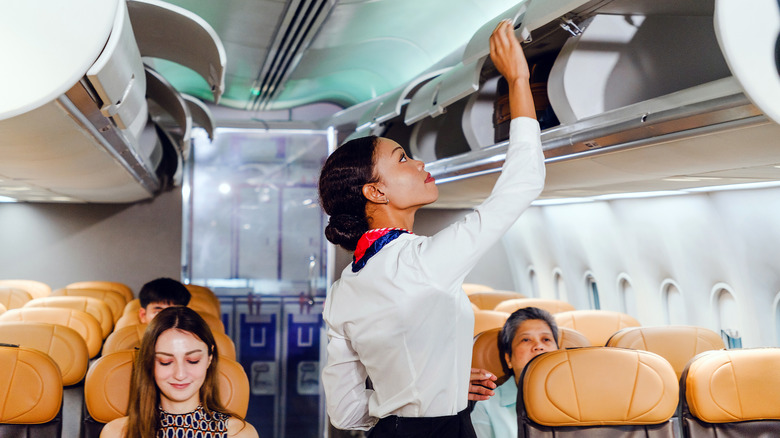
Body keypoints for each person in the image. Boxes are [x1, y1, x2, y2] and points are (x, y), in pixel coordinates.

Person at [318, 20, 545, 437]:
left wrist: (421, 392)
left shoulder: (344, 288)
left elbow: (347, 414)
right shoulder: (425, 261)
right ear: (375, 191)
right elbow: (523, 182)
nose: (419, 163)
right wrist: (517, 78)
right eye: (403, 158)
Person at [100, 306, 258, 438]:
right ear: (149, 361)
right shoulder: (117, 433)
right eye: (165, 362)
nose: (180, 374)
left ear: (209, 358)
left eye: (193, 360)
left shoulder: (239, 434)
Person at [470, 307, 559, 438]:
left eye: (546, 339)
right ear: (508, 359)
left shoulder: (582, 398)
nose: (538, 346)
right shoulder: (486, 408)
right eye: (526, 340)